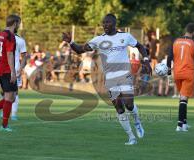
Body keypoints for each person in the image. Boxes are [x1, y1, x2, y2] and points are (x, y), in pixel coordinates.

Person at [62, 13, 152, 145]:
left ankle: (137, 122)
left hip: (124, 76)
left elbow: (140, 46)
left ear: (114, 24)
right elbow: (81, 50)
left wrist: (145, 60)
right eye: (103, 23)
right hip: (110, 79)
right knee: (119, 108)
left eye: (108, 23)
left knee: (129, 104)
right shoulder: (98, 40)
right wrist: (70, 42)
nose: (105, 25)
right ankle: (131, 137)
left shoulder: (125, 36)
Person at [167, 23, 194, 132]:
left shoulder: (175, 41)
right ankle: (179, 125)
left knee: (182, 97)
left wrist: (169, 73)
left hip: (177, 72)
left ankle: (184, 123)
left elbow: (169, 58)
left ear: (185, 30)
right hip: (188, 73)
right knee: (184, 98)